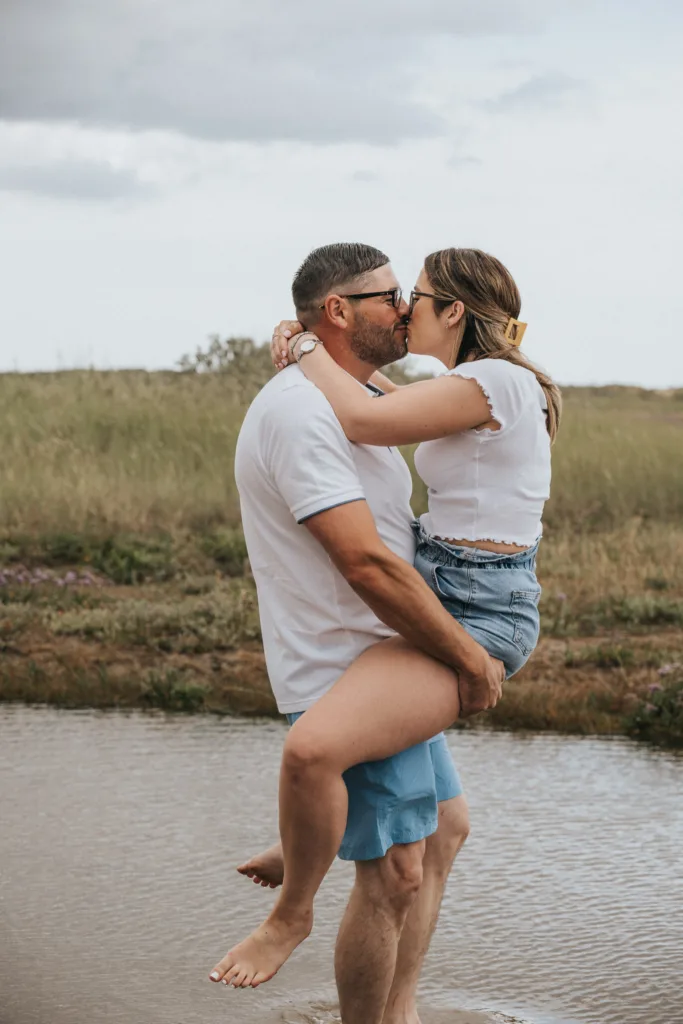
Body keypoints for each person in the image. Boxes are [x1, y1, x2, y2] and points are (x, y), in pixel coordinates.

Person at [209, 242, 505, 1024]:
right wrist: (467, 655)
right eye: (390, 296)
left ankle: (396, 1010)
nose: (406, 308)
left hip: (388, 653)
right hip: (348, 664)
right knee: (397, 872)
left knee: (444, 828)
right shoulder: (301, 412)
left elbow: (376, 409)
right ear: (341, 310)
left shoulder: (344, 388)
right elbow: (365, 564)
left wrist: (298, 338)